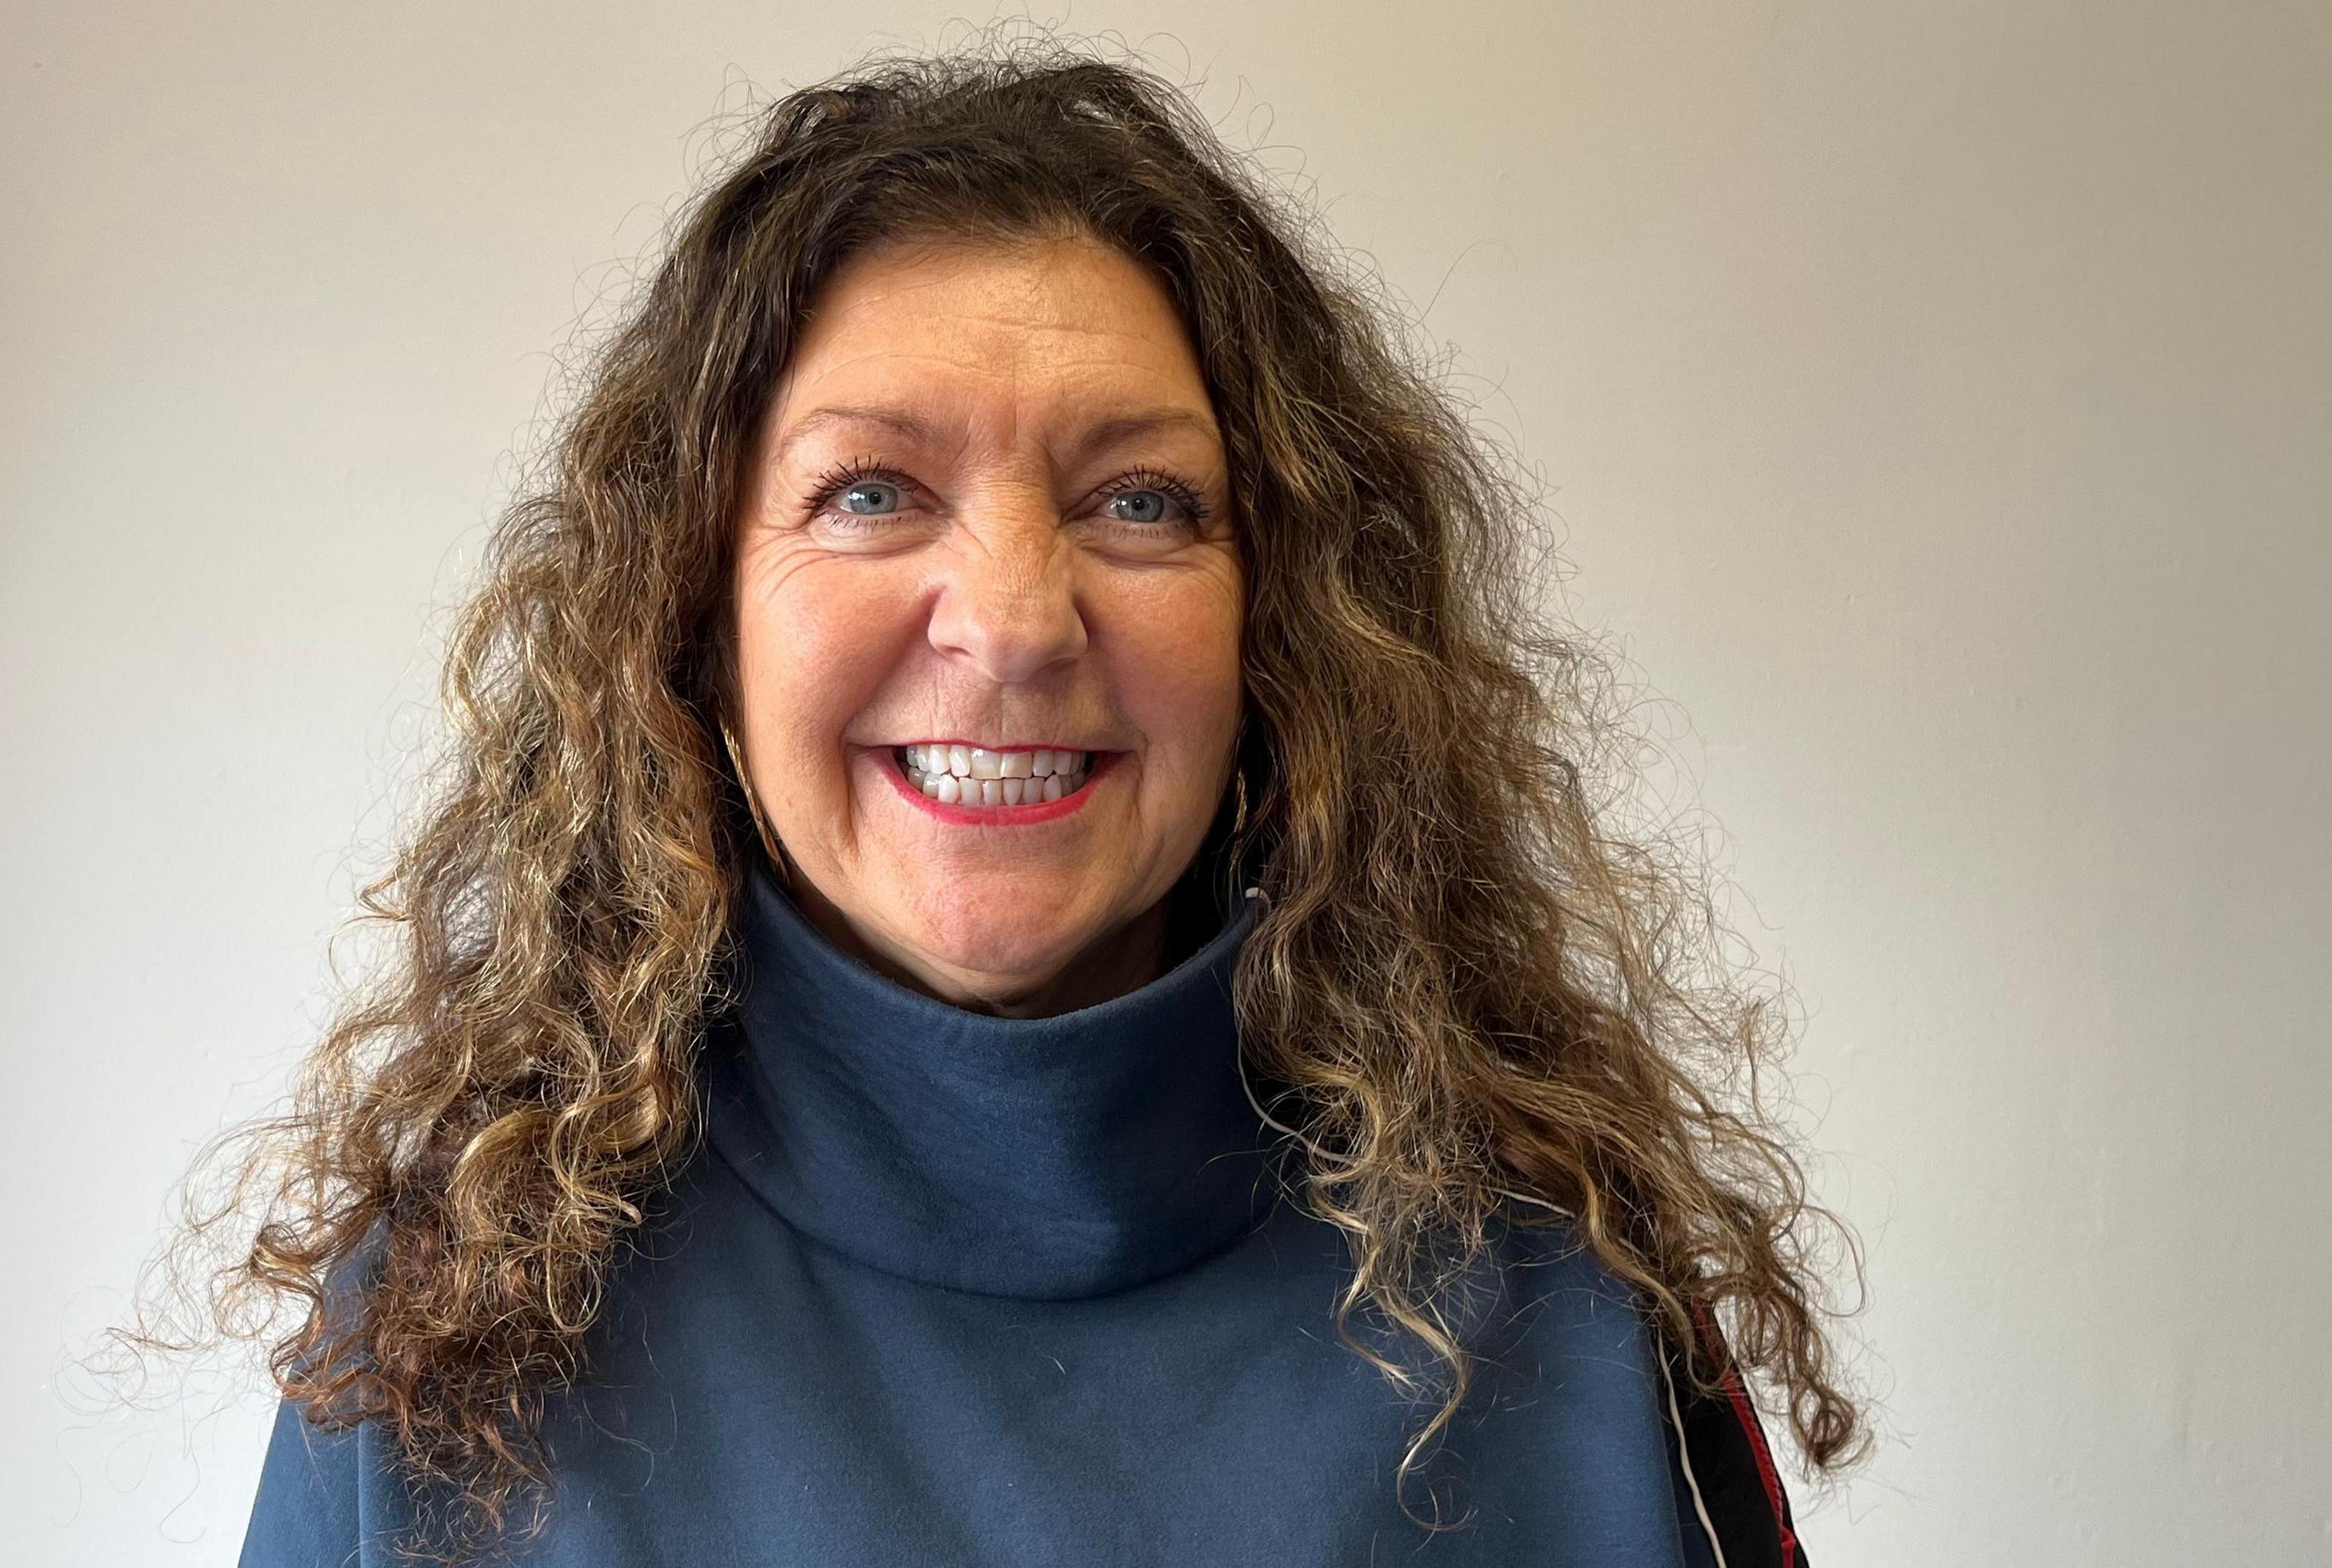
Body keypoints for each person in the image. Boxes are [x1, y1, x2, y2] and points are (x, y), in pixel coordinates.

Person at [182, 44, 1863, 1568]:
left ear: (1281, 622)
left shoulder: (1568, 1303)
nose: (1013, 619)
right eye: (870, 492)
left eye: (1140, 501)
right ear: (695, 612)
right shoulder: (456, 1328)